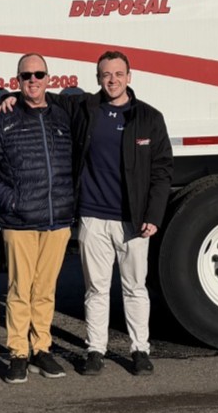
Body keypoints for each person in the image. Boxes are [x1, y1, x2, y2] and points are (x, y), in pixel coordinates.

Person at [0, 53, 74, 384]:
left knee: (45, 291)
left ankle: (41, 349)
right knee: (19, 291)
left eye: (39, 74)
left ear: (49, 78)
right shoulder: (4, 120)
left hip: (56, 220)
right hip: (19, 222)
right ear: (18, 80)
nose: (33, 80)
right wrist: (11, 201)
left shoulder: (62, 117)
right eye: (26, 75)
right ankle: (17, 352)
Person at [74, 51, 173, 377]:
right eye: (106, 74)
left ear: (129, 77)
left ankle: (140, 350)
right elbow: (43, 100)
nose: (112, 79)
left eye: (118, 74)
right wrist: (13, 97)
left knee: (134, 287)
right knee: (96, 289)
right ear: (98, 78)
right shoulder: (87, 110)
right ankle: (95, 350)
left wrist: (153, 214)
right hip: (93, 217)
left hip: (133, 220)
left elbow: (161, 170)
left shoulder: (148, 118)